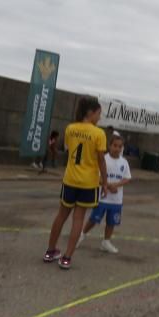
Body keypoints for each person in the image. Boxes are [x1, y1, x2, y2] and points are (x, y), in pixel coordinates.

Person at [44, 97, 107, 270]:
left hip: (70, 178)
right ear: (91, 112)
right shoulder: (98, 134)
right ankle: (67, 257)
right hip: (88, 182)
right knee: (78, 218)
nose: (99, 118)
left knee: (61, 215)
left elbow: (69, 149)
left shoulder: (70, 128)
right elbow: (101, 160)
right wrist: (106, 181)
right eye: (98, 113)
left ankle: (50, 250)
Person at [80, 132, 131, 254]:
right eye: (115, 145)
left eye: (120, 146)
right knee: (94, 219)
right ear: (109, 146)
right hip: (103, 197)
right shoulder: (103, 160)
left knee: (111, 221)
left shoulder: (124, 162)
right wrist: (107, 186)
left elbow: (127, 178)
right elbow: (97, 177)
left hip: (116, 199)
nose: (117, 148)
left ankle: (106, 242)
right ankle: (81, 235)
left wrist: (116, 185)